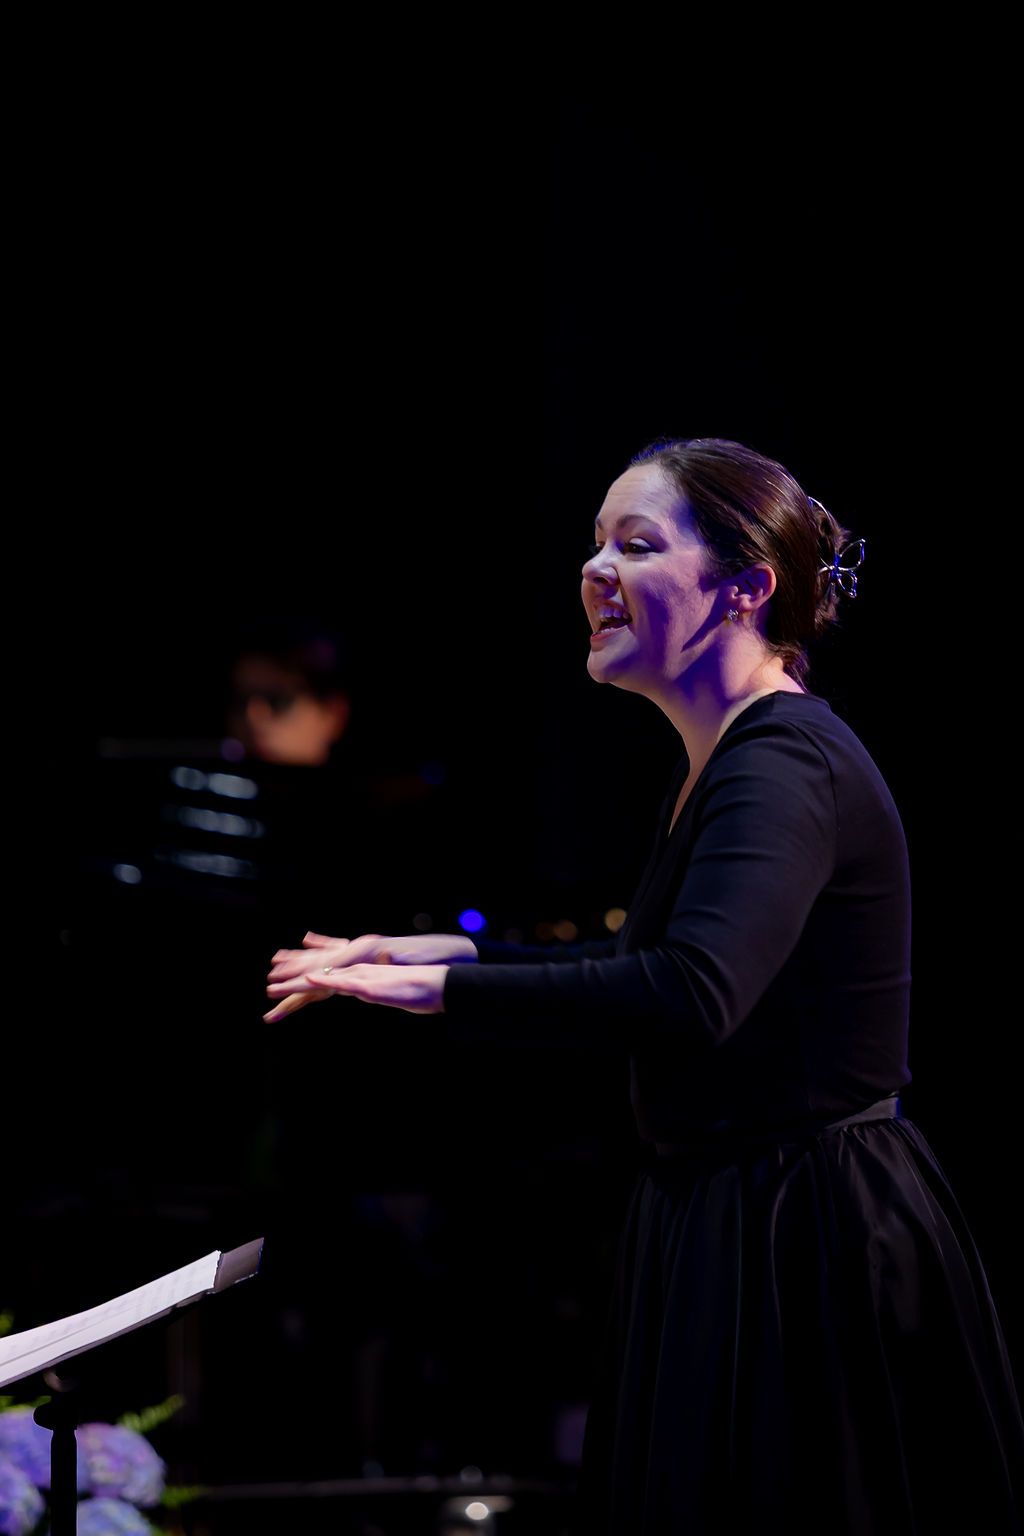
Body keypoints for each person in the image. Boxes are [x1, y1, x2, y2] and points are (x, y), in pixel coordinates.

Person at [264, 438, 1023, 1531]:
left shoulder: (783, 761)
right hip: (738, 1209)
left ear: (745, 587)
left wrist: (447, 997)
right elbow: (651, 969)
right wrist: (454, 956)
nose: (595, 571)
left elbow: (687, 995)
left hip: (804, 1237)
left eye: (636, 544)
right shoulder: (722, 760)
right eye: (594, 545)